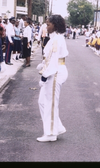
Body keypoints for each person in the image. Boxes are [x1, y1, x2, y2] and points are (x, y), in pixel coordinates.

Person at [36, 14, 68, 142]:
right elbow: (48, 58)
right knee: (42, 102)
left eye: (48, 24)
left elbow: (53, 61)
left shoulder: (57, 39)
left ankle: (50, 134)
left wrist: (44, 76)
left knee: (50, 104)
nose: (46, 26)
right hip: (53, 71)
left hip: (55, 73)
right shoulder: (54, 38)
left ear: (55, 25)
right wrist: (42, 66)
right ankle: (57, 127)